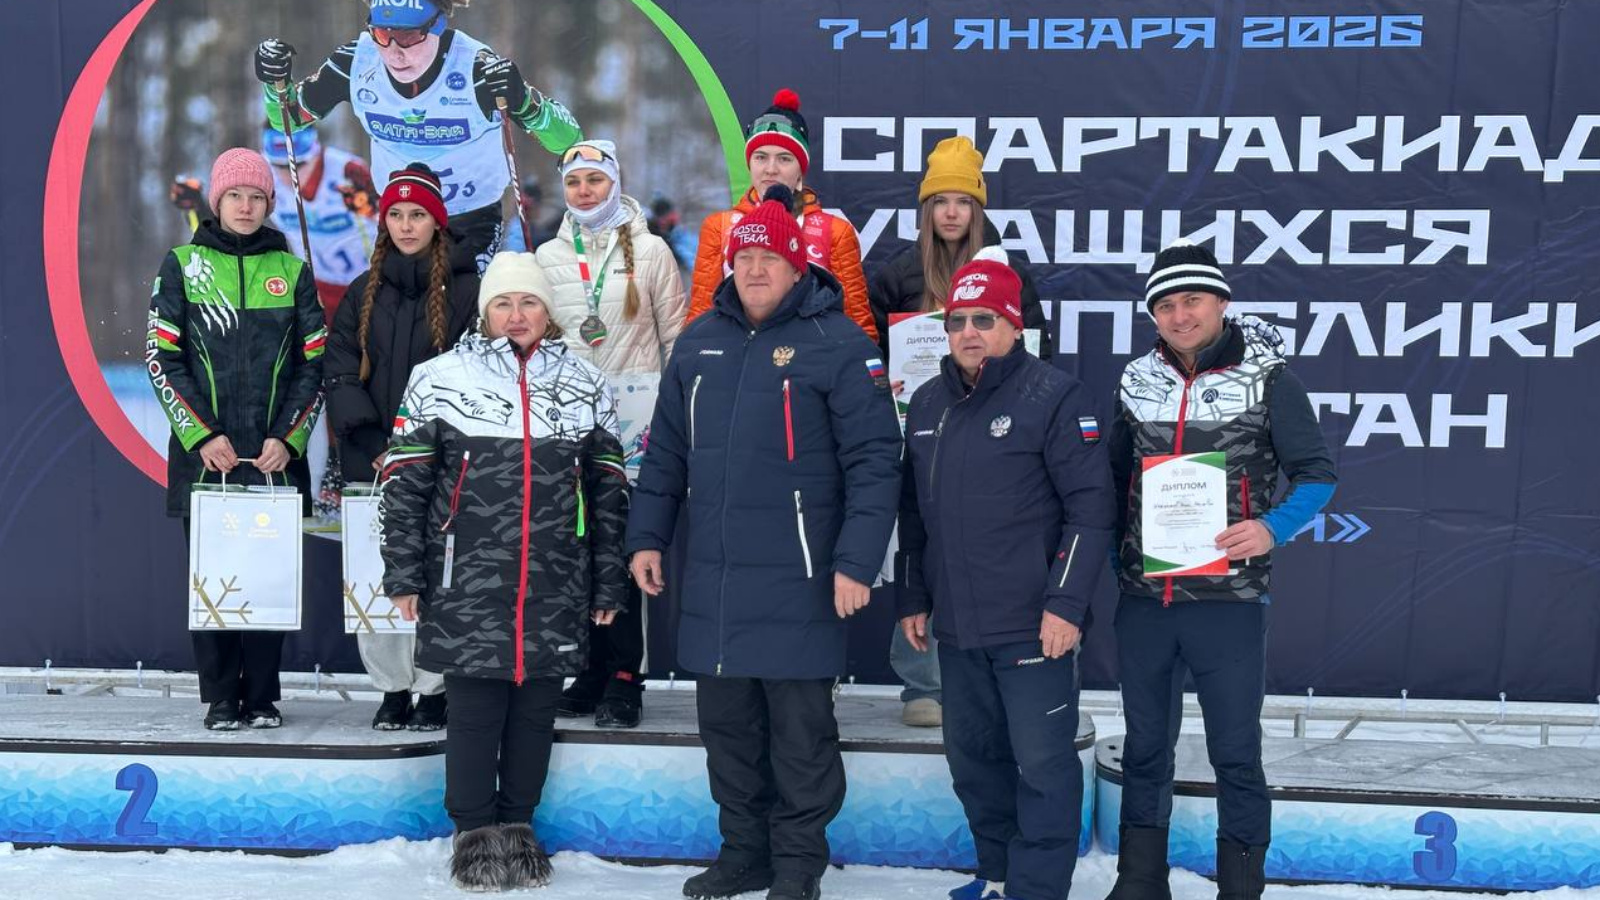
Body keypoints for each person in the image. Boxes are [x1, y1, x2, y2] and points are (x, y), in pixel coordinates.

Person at [627, 186, 901, 900]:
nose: (754, 269)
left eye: (769, 258)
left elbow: (876, 462)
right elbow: (665, 454)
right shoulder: (699, 342)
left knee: (801, 737)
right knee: (728, 732)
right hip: (715, 580)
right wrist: (647, 536)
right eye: (744, 258)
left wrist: (856, 562)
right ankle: (743, 853)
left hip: (802, 579)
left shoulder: (839, 344)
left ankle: (798, 864)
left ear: (796, 265)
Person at [379, 251, 628, 891]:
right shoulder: (439, 377)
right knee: (474, 711)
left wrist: (608, 581)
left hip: (555, 578)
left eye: (529, 302)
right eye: (503, 303)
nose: (516, 315)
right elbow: (404, 486)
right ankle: (473, 835)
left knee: (536, 713)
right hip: (465, 578)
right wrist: (403, 574)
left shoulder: (586, 382)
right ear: (485, 312)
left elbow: (608, 494)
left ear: (548, 310)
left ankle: (517, 830)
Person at [1105, 242, 1337, 900]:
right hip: (1145, 602)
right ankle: (1139, 882)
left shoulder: (1269, 379)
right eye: (1165, 305)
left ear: (1221, 303)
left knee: (1235, 752)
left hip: (1229, 602)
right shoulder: (1135, 380)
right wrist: (1118, 560)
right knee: (1145, 748)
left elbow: (1317, 476)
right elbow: (1113, 484)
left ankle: (1241, 888)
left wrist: (1270, 529)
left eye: (1192, 301)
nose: (1179, 316)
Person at [896, 249, 1114, 900]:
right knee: (973, 761)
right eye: (957, 319)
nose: (968, 331)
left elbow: (1091, 510)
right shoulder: (927, 402)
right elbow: (914, 512)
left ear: (1014, 326)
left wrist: (1065, 604)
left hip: (1033, 626)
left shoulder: (1054, 395)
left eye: (984, 319)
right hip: (958, 627)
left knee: (1043, 767)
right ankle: (995, 875)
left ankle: (1036, 889)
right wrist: (913, 595)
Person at [867, 136, 1054, 730]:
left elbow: (1038, 351)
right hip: (920, 428)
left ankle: (994, 675)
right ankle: (922, 681)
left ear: (979, 209)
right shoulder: (897, 273)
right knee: (922, 543)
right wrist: (886, 382)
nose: (951, 213)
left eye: (963, 202)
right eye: (940, 201)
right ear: (925, 209)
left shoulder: (1010, 272)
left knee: (987, 544)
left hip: (997, 433)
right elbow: (867, 356)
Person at [145, 147, 325, 731]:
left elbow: (314, 366)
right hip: (207, 461)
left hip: (273, 460)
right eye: (234, 196)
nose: (245, 207)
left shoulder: (292, 271)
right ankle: (222, 697)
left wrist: (288, 439)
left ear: (269, 204)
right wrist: (201, 436)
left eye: (256, 197)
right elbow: (162, 358)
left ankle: (263, 697)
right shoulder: (182, 265)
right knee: (215, 580)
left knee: (268, 577)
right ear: (216, 202)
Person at [535, 140, 687, 728]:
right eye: (574, 182)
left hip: (636, 423)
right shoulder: (549, 255)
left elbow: (675, 338)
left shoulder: (650, 251)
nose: (584, 191)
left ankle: (626, 674)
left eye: (594, 180)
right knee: (577, 547)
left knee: (624, 545)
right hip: (570, 422)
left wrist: (675, 414)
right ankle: (591, 668)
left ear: (614, 184)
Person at [254, 0, 582, 272]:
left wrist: (526, 103)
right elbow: (288, 120)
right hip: (400, 216)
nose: (395, 51)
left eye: (408, 36)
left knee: (466, 311)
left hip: (470, 218)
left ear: (438, 25)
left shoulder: (476, 68)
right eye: (382, 34)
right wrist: (274, 82)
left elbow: (568, 140)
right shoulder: (357, 61)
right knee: (398, 318)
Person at [325, 163, 479, 731]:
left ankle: (433, 687)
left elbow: (473, 377)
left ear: (437, 223)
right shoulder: (363, 292)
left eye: (418, 215)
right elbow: (340, 368)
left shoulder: (468, 291)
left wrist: (427, 449)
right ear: (383, 221)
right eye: (396, 214)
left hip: (441, 461)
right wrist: (370, 440)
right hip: (373, 461)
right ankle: (392, 687)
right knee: (377, 573)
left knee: (441, 575)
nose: (406, 225)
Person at [685, 89, 877, 341]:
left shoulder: (834, 231)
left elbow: (858, 328)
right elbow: (700, 320)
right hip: (742, 357)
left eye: (784, 159)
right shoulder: (719, 227)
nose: (770, 169)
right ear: (750, 164)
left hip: (811, 358)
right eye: (761, 157)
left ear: (801, 169)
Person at [261, 123, 380, 319]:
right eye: (280, 166)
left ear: (316, 153)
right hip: (317, 289)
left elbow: (391, 222)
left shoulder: (347, 175)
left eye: (298, 165)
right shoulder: (264, 176)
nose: (289, 176)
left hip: (367, 287)